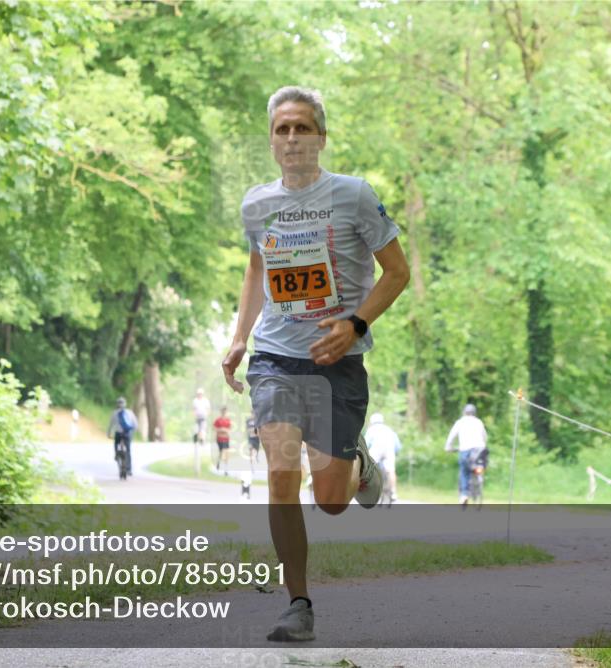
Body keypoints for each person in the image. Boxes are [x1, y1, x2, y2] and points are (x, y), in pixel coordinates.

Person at [221, 85, 410, 642]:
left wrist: (355, 323)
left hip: (339, 359)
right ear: (272, 141)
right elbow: (257, 270)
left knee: (329, 502)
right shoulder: (257, 204)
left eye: (303, 128)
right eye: (283, 129)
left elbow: (396, 273)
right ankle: (297, 603)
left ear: (321, 138)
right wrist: (240, 337)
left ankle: (358, 462)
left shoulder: (353, 196)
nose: (293, 138)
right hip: (276, 357)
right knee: (282, 474)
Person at [444, 403, 488, 508]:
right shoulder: (479, 422)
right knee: (479, 467)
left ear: (464, 412)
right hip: (480, 451)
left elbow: (451, 437)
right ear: (474, 413)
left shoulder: (460, 422)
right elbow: (485, 437)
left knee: (464, 472)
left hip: (466, 451)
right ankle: (479, 482)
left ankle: (464, 495)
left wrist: (448, 447)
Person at [364, 413, 401, 502]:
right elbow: (397, 446)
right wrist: (395, 453)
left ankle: (367, 488)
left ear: (372, 422)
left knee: (370, 467)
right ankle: (393, 492)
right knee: (391, 470)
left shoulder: (371, 429)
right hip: (389, 449)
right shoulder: (389, 430)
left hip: (377, 448)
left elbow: (365, 445)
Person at [107, 397, 138, 477]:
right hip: (127, 434)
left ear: (117, 404)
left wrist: (109, 434)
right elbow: (135, 424)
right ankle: (129, 470)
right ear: (125, 404)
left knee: (116, 445)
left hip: (118, 434)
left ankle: (117, 454)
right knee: (128, 451)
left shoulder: (114, 413)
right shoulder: (130, 412)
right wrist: (133, 431)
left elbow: (111, 425)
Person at [213, 406, 232, 475]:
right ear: (221, 412)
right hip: (220, 438)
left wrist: (226, 430)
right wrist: (221, 429)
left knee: (226, 453)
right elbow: (215, 428)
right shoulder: (218, 420)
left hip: (226, 438)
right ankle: (218, 463)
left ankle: (225, 469)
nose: (224, 413)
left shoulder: (228, 420)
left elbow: (230, 429)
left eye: (225, 412)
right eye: (223, 411)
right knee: (221, 452)